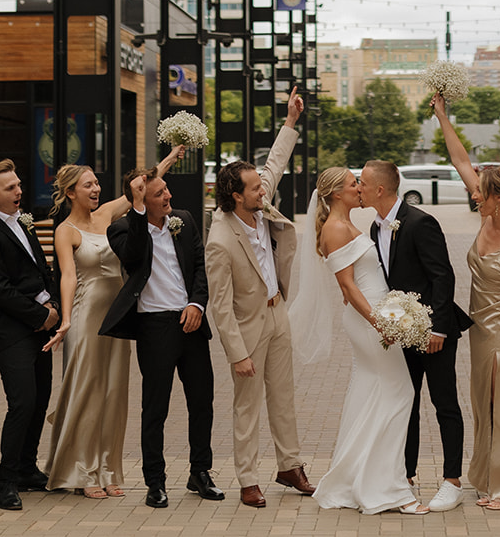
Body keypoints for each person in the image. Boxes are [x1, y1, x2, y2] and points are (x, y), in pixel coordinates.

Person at [42, 150, 179, 498]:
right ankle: (81, 471)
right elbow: (68, 277)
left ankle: (106, 467)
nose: (95, 189)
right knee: (86, 390)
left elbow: (141, 185)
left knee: (114, 391)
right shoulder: (65, 230)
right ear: (71, 192)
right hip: (86, 316)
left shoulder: (106, 215)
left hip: (117, 316)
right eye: (87, 185)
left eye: (97, 183)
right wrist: (67, 320)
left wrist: (170, 157)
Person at [207, 88, 316, 508]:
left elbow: (274, 165)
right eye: (254, 189)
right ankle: (248, 480)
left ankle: (289, 466)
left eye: (260, 187)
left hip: (277, 314)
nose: (262, 191)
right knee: (247, 408)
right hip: (247, 329)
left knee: (284, 396)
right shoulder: (219, 240)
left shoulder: (259, 204)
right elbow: (220, 305)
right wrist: (237, 353)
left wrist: (290, 121)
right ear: (236, 195)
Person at [433, 94, 500, 509]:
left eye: (483, 193)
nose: (475, 195)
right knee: (483, 403)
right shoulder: (486, 218)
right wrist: (443, 116)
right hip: (479, 326)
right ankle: (491, 477)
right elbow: (462, 161)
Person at [99, 171, 220, 508]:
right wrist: (137, 211)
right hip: (154, 327)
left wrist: (197, 304)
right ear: (141, 201)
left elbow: (199, 265)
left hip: (190, 320)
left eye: (166, 190)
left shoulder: (184, 220)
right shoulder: (122, 228)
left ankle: (201, 472)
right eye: (158, 194)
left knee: (202, 401)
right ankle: (155, 481)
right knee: (155, 408)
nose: (168, 197)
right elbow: (134, 256)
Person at [359, 157, 473, 511]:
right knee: (404, 404)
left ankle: (452, 481)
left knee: (445, 404)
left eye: (361, 183)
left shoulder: (421, 222)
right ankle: (404, 475)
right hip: (402, 332)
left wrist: (438, 327)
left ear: (379, 188)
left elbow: (443, 276)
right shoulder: (376, 228)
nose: (358, 188)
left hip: (435, 333)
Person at [312, 167, 428, 515]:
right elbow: (347, 286)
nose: (359, 189)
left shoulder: (349, 225)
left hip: (377, 317)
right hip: (370, 323)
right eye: (353, 184)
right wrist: (380, 323)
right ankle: (389, 489)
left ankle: (362, 479)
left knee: (371, 394)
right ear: (336, 194)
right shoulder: (334, 228)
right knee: (400, 392)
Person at [0, 160, 60, 512]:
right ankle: (6, 482)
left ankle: (26, 468)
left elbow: (41, 268)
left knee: (39, 399)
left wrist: (53, 305)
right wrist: (41, 316)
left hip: (41, 326)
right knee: (21, 402)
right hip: (11, 333)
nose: (19, 191)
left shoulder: (23, 222)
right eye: (10, 188)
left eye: (18, 185)